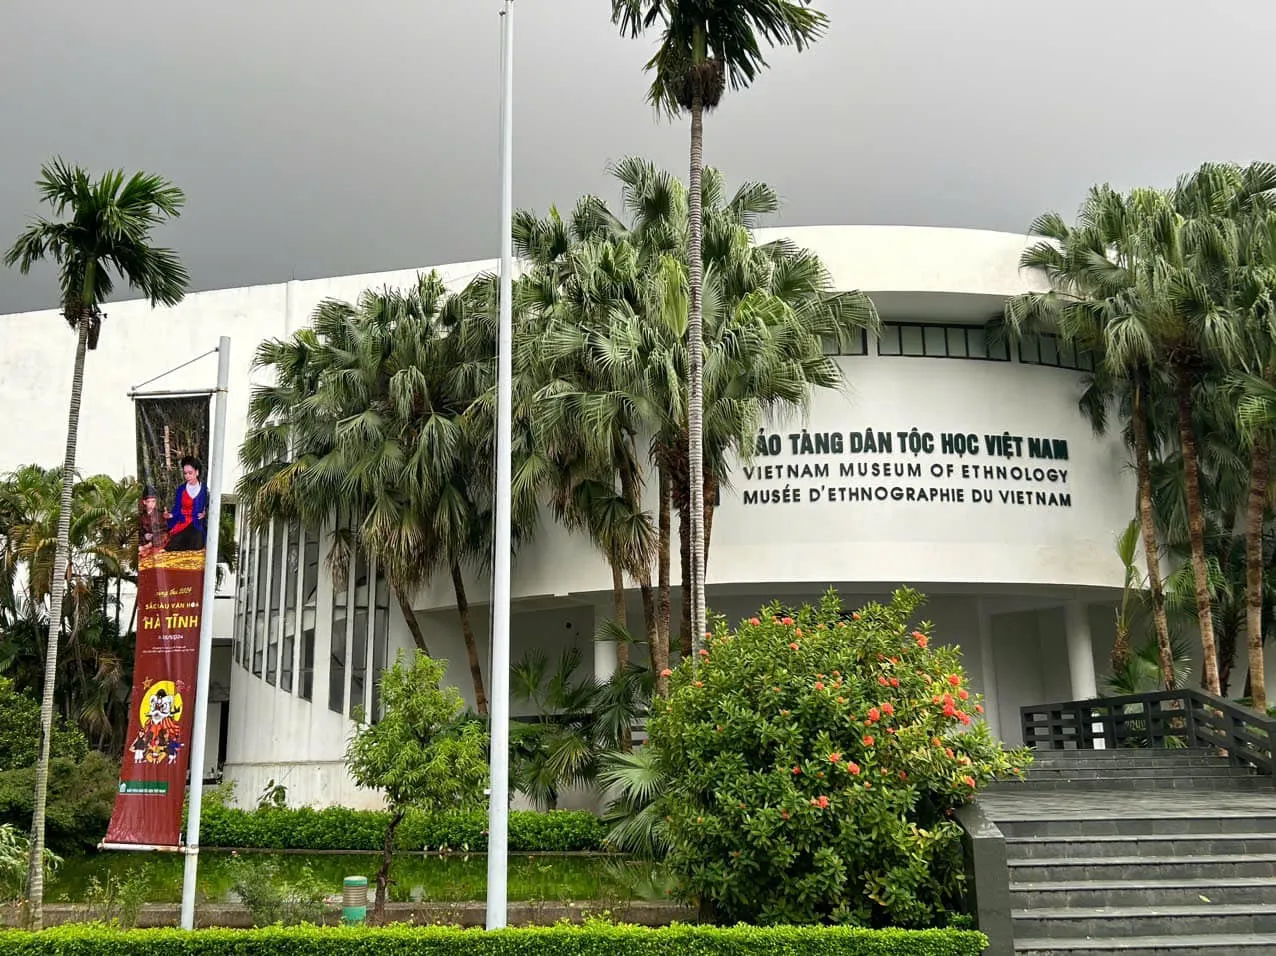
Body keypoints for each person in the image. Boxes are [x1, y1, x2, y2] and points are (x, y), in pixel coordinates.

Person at [165, 456, 209, 552]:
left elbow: (208, 507)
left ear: (197, 472)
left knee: (197, 545)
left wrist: (205, 513)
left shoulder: (204, 489)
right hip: (183, 523)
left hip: (196, 524)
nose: (187, 476)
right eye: (185, 473)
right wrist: (169, 515)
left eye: (190, 473)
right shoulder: (181, 489)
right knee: (171, 547)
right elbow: (177, 509)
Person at [138, 485, 167, 551]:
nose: (151, 504)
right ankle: (145, 546)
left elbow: (164, 529)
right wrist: (145, 536)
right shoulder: (141, 516)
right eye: (149, 501)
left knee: (164, 535)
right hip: (145, 540)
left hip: (157, 539)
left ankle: (148, 545)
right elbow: (140, 531)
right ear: (144, 502)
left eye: (153, 501)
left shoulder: (160, 515)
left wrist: (153, 535)